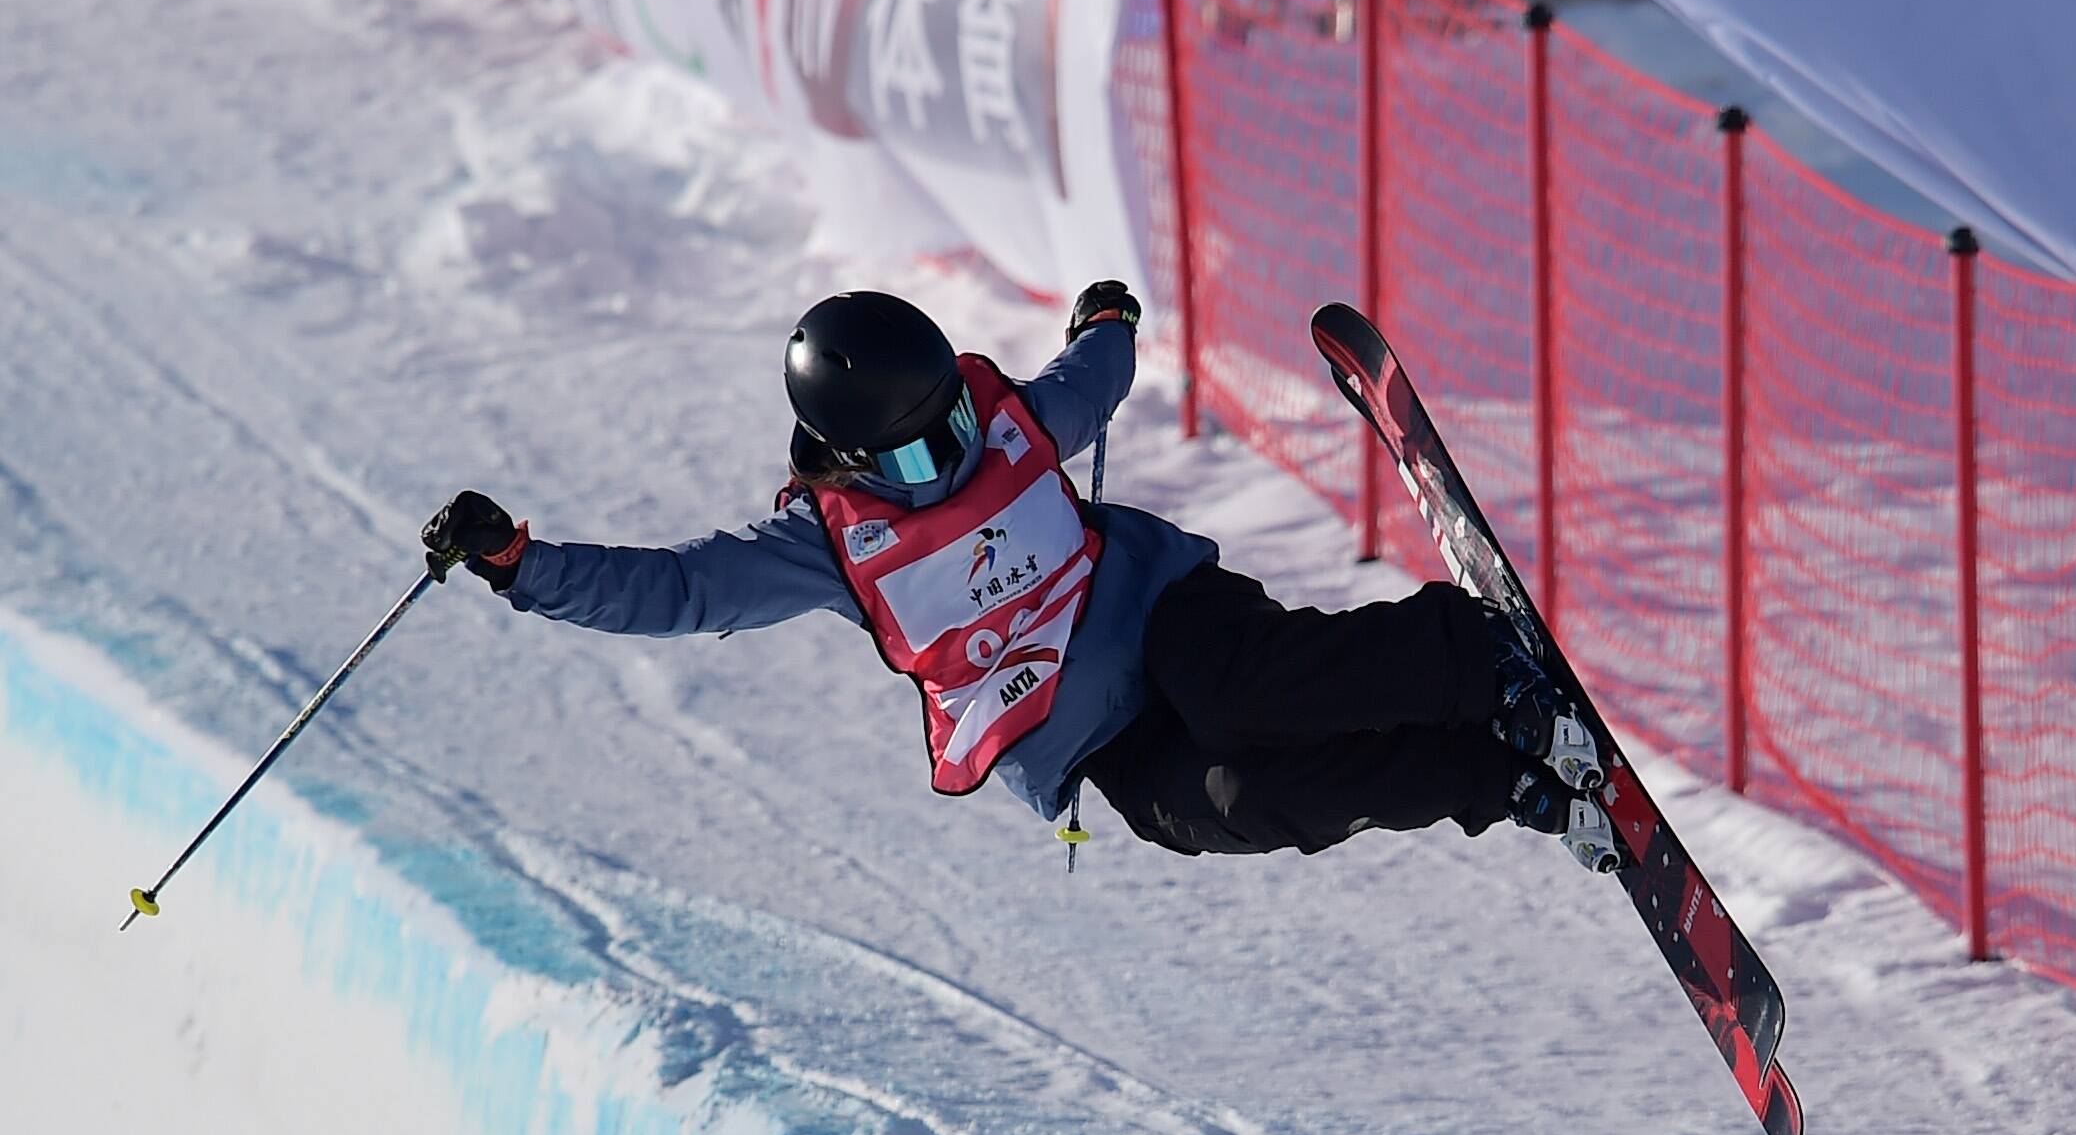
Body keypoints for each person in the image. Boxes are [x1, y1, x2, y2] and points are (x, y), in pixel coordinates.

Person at [420, 284, 1615, 867]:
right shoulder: (830, 548)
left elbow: (1091, 378)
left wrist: (1106, 319)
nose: (951, 463)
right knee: (1234, 807)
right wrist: (522, 565)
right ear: (843, 458)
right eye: (915, 456)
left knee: (1255, 692)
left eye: (952, 430)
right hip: (1084, 741)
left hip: (1157, 619)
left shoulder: (1003, 424)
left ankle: (1477, 665)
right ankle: (1504, 778)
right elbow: (674, 591)